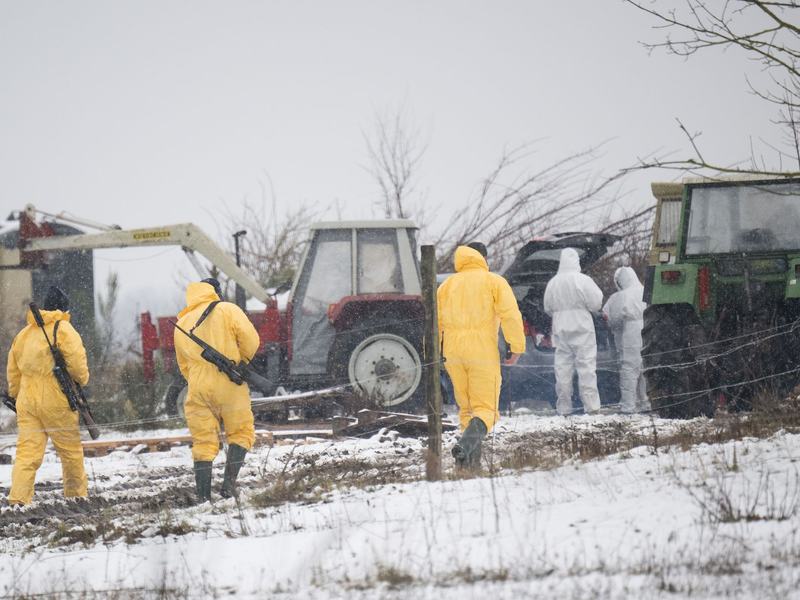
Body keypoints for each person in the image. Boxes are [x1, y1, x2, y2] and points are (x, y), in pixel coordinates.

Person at [438, 243, 525, 470]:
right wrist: (515, 347)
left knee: (467, 408)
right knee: (487, 409)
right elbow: (510, 316)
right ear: (483, 258)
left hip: (452, 351)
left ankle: (469, 464)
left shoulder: (446, 286)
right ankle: (465, 445)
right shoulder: (494, 281)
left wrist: (433, 353)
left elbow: (434, 323)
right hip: (481, 350)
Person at [174, 278, 260, 502]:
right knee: (241, 432)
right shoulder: (227, 309)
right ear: (216, 292)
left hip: (198, 386)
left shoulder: (182, 322)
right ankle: (228, 487)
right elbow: (251, 340)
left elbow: (183, 365)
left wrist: (198, 379)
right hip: (229, 381)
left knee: (203, 440)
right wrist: (241, 362)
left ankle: (203, 497)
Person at [7, 286, 90, 506]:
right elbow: (78, 368)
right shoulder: (64, 330)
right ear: (63, 308)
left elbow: (13, 372)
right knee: (70, 452)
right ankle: (76, 498)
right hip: (56, 400)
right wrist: (81, 381)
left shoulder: (23, 334)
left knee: (27, 454)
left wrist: (16, 396)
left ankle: (18, 501)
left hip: (27, 401)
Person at [543, 248, 603, 416]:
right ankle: (591, 407)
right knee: (586, 367)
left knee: (562, 369)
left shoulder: (553, 282)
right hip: (582, 327)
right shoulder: (583, 280)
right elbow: (595, 304)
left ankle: (564, 408)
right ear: (577, 261)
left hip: (560, 328)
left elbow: (548, 308)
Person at [603, 266, 648, 414]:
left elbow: (613, 321)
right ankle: (646, 403)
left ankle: (628, 406)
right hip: (648, 328)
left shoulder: (620, 296)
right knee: (645, 368)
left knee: (629, 368)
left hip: (631, 331)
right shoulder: (646, 290)